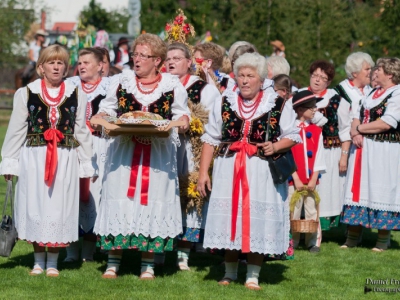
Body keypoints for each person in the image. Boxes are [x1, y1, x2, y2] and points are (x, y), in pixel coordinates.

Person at [197, 52, 300, 290]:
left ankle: (252, 275)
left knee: (257, 221)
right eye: (240, 75)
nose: (244, 80)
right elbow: (210, 138)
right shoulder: (225, 101)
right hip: (228, 168)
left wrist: (275, 145)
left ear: (261, 79)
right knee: (230, 218)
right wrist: (204, 173)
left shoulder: (277, 103)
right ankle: (230, 272)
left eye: (250, 76)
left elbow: (293, 135)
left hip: (261, 171)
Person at [92, 33, 190, 279]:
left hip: (158, 156)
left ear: (157, 60)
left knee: (154, 200)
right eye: (135, 54)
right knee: (118, 198)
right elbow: (106, 109)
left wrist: (179, 123)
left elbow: (183, 116)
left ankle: (148, 264)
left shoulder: (172, 85)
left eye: (143, 56)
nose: (136, 59)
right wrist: (102, 120)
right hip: (124, 152)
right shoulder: (121, 81)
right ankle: (113, 262)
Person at [0, 44, 95, 277]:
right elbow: (15, 130)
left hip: (65, 158)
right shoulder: (26, 93)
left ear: (65, 68)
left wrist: (85, 162)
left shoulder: (77, 94)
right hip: (34, 157)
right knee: (35, 206)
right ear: (41, 67)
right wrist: (10, 161)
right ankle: (37, 260)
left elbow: (81, 130)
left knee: (59, 208)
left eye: (60, 63)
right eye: (51, 62)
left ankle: (53, 261)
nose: (56, 66)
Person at [164, 42, 221, 270]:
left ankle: (183, 255)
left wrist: (195, 125)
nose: (171, 62)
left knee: (189, 197)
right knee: (165, 193)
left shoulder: (204, 89)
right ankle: (159, 250)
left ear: (189, 62)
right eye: (168, 58)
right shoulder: (159, 86)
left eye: (177, 58)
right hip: (165, 148)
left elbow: (215, 123)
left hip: (191, 149)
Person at [341, 57, 400, 251]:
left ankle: (382, 239)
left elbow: (387, 123)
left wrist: (360, 129)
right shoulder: (372, 92)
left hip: (384, 151)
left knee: (381, 189)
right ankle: (353, 236)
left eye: (379, 70)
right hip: (363, 149)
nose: (375, 72)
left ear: (390, 74)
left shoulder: (397, 93)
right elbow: (357, 114)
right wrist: (355, 130)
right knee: (358, 190)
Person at [64, 47, 111, 262]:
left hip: (101, 146)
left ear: (100, 65)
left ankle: (89, 253)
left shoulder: (112, 87)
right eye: (79, 62)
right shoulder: (70, 86)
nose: (81, 66)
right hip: (73, 145)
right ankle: (70, 252)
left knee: (95, 195)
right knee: (70, 195)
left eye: (86, 62)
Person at [296, 60, 351, 234]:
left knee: (324, 191)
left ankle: (317, 231)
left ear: (328, 81)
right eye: (315, 76)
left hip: (328, 152)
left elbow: (345, 130)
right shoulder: (298, 96)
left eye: (323, 77)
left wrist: (344, 156)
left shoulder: (336, 100)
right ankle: (300, 228)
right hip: (303, 152)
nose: (317, 80)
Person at [289, 90, 326, 252]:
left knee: (312, 210)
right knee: (293, 210)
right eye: (311, 107)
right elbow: (287, 156)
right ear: (300, 110)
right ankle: (292, 241)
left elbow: (319, 156)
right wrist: (295, 177)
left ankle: (312, 241)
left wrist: (313, 178)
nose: (315, 110)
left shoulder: (317, 132)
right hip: (293, 180)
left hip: (312, 180)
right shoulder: (290, 130)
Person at [334, 52, 375, 120]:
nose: (371, 72)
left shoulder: (371, 90)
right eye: (367, 69)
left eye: (371, 69)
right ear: (355, 73)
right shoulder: (339, 91)